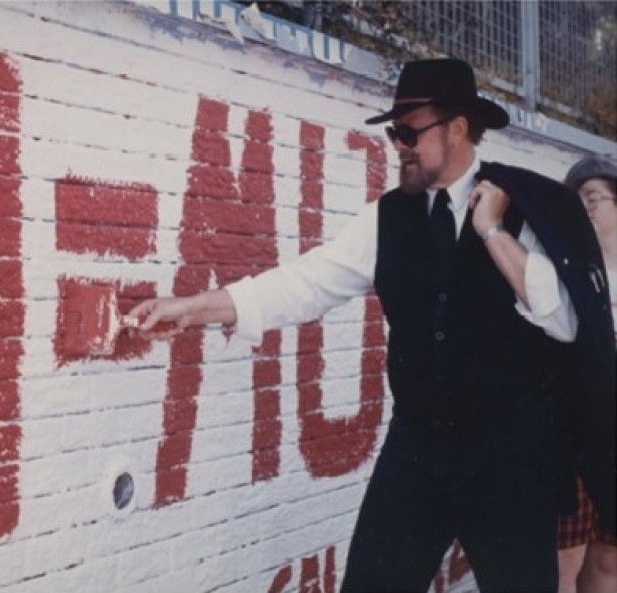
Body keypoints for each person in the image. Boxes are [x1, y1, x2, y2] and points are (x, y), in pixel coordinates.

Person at [128, 59, 615, 591]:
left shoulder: (523, 210)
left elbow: (569, 322)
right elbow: (305, 284)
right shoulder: (386, 219)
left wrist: (492, 229)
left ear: (457, 128)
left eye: (409, 132)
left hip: (509, 462)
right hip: (415, 455)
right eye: (392, 133)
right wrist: (191, 308)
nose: (398, 145)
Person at [557, 156, 617, 593]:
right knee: (562, 563)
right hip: (571, 438)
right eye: (577, 200)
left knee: (610, 560)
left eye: (594, 197)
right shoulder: (561, 273)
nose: (586, 207)